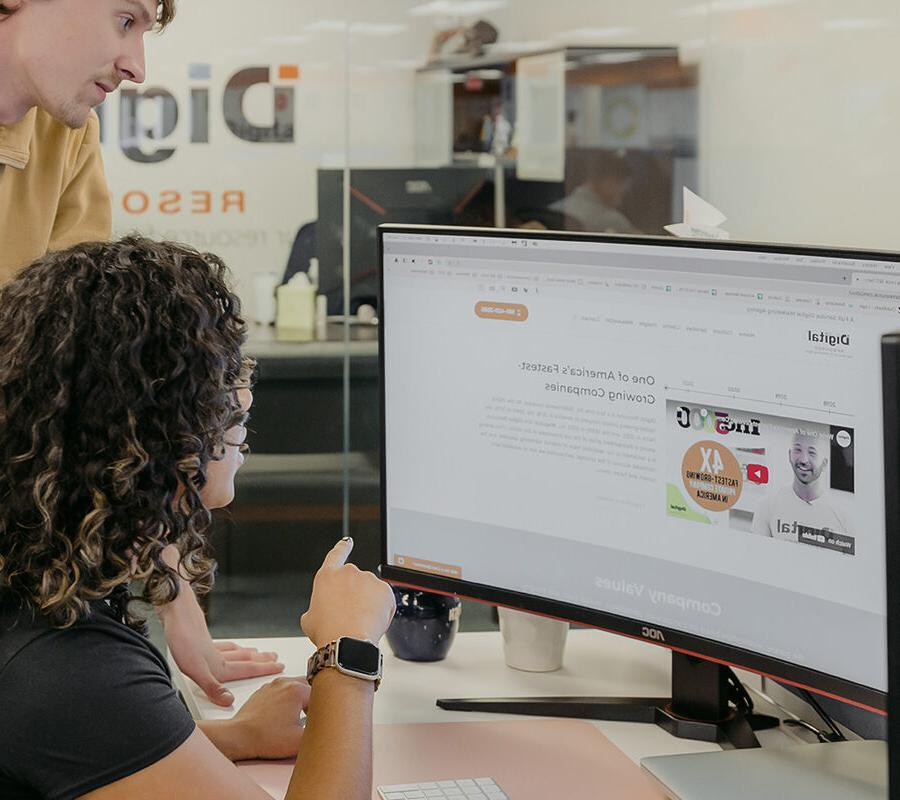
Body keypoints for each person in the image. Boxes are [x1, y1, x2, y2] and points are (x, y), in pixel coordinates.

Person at [0, 236, 397, 798]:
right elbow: (84, 715)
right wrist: (346, 651)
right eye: (220, 372)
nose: (242, 394)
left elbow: (88, 754)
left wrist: (234, 737)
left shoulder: (39, 581)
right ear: (156, 427)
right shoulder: (66, 668)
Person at [0, 0, 286, 705]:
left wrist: (172, 590)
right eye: (123, 19)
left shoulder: (64, 135)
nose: (136, 65)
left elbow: (92, 389)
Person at [751, 431, 853, 543]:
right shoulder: (768, 506)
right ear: (789, 455)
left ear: (824, 463)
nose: (804, 460)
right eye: (798, 450)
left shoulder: (843, 515)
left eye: (812, 452)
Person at [550, 151, 640, 234]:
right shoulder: (613, 221)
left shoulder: (553, 210)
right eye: (623, 186)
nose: (624, 194)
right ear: (610, 183)